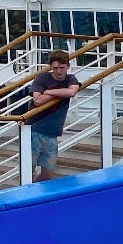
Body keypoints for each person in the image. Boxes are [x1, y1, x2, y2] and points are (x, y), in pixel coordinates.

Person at [29, 50, 80, 181]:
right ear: (51, 67)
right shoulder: (42, 78)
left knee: (48, 173)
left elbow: (72, 91)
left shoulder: (71, 78)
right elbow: (37, 100)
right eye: (55, 68)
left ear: (68, 66)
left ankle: (35, 190)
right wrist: (60, 92)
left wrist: (49, 92)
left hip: (52, 131)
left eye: (61, 68)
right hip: (33, 128)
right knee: (29, 168)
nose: (58, 71)